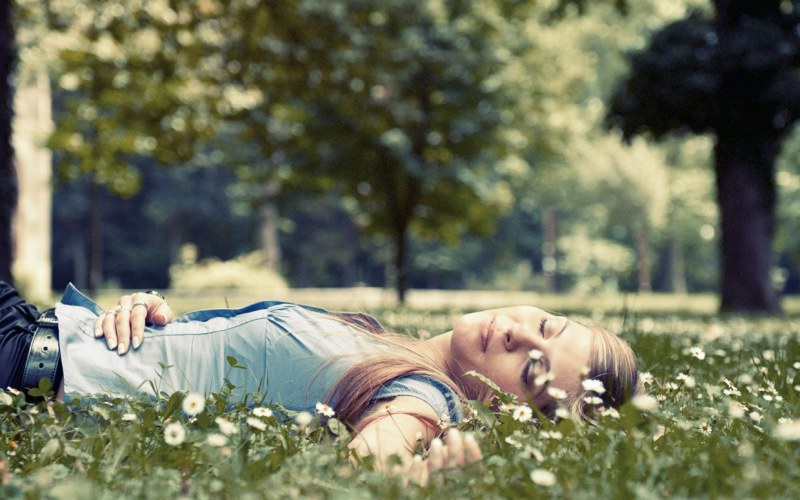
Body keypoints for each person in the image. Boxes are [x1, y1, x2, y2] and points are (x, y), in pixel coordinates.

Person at [0, 279, 642, 480]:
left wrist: (403, 478)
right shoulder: (381, 344)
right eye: (547, 325)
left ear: (511, 410)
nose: (520, 334)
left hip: (19, 363)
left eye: (531, 368)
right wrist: (152, 313)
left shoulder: (421, 397)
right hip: (34, 330)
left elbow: (366, 468)